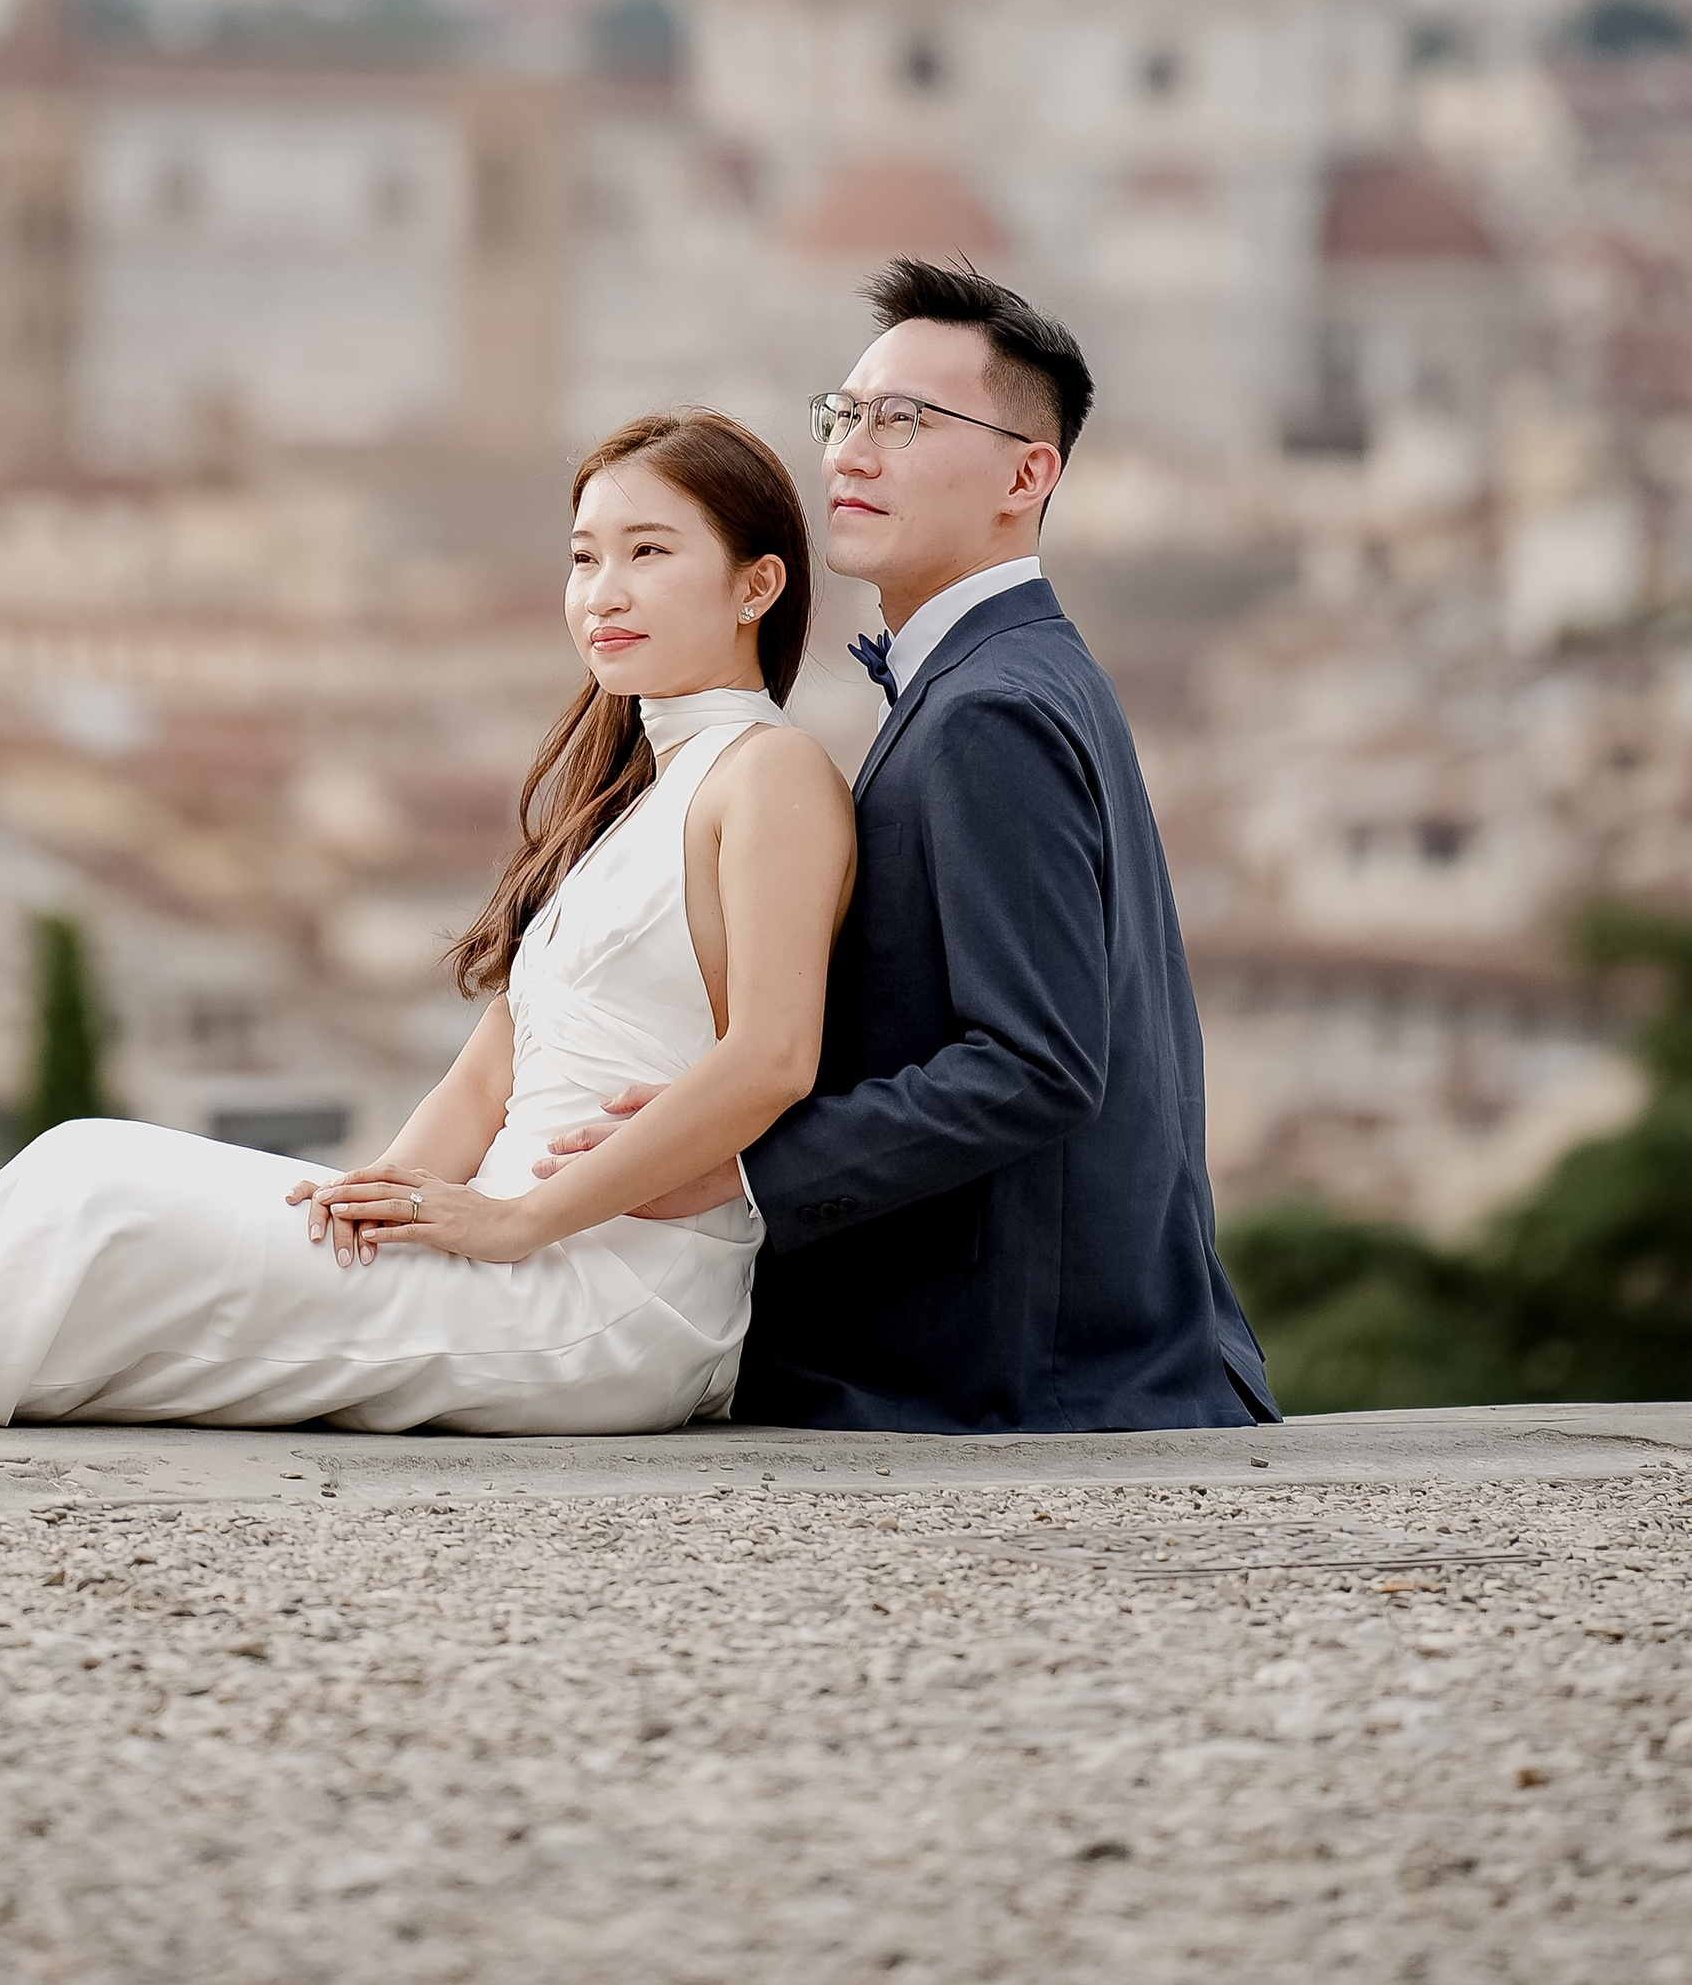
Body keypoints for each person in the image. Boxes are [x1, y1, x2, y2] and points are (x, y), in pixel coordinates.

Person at [0, 410, 855, 1436]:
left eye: (649, 553)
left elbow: (771, 1057)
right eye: (583, 558)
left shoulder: (772, 775)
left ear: (757, 583)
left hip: (611, 1298)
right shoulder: (623, 803)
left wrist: (519, 1219)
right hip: (498, 1248)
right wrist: (370, 1200)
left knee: (91, 1199)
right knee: (77, 1185)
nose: (602, 593)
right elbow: (494, 1070)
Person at [540, 258, 1274, 1434]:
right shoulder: (1018, 674)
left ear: (1027, 474)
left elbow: (1036, 1063)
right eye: (843, 416)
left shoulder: (991, 708)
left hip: (1019, 1373)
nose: (848, 453)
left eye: (906, 422)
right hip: (1071, 1351)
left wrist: (734, 1175)